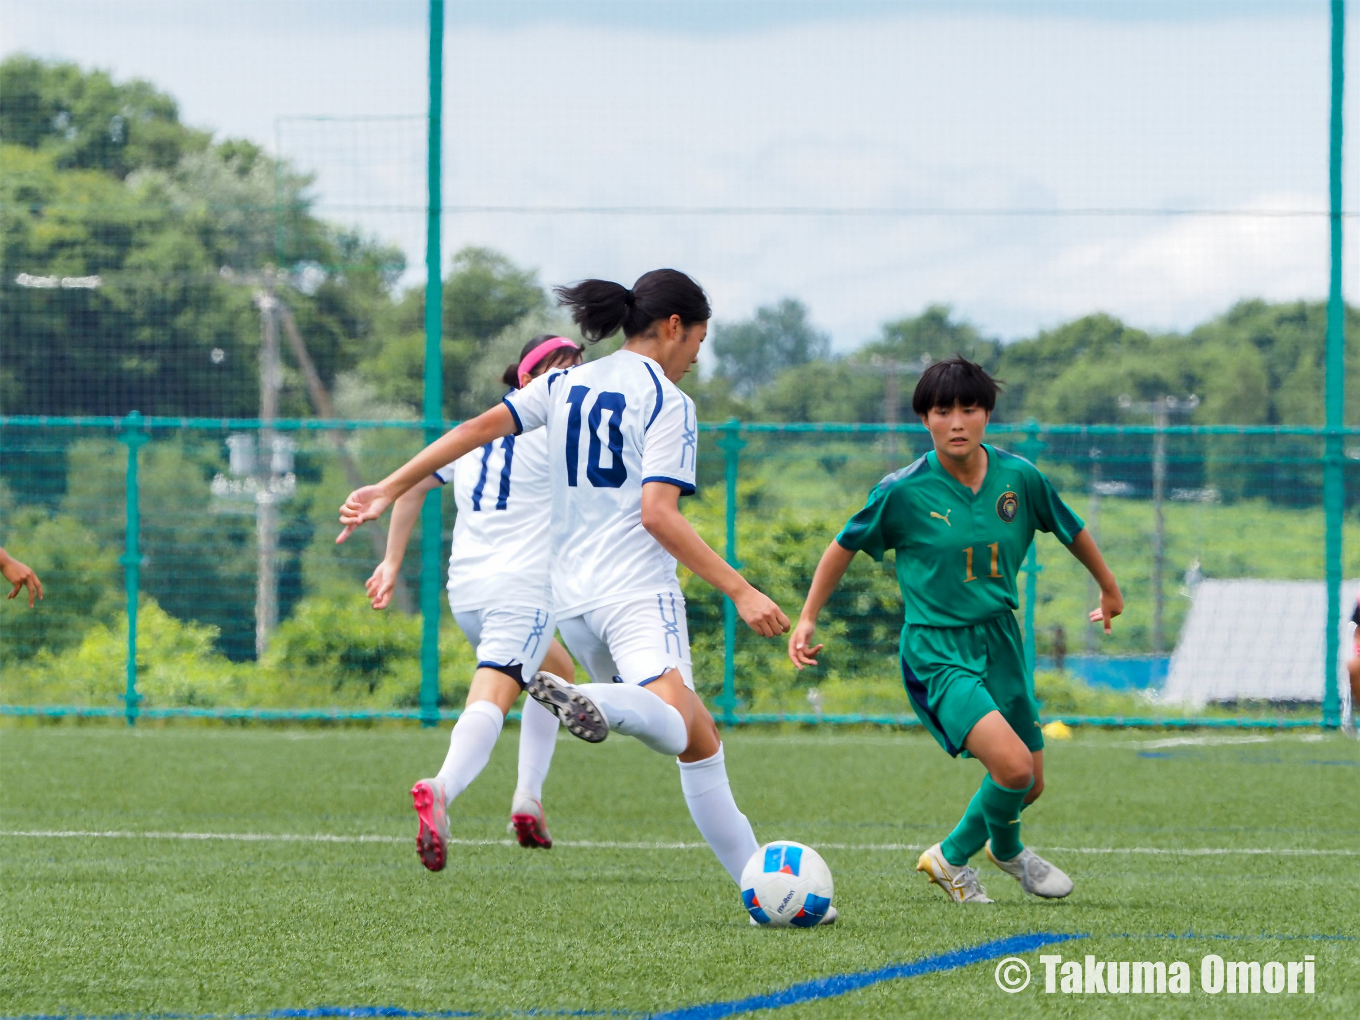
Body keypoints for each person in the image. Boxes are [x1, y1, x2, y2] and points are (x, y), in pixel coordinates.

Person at [339, 270, 834, 923]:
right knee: (685, 728)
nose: (695, 358)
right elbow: (658, 514)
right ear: (676, 327)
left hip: (572, 602)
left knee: (697, 738)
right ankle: (596, 702)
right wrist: (741, 589)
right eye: (700, 341)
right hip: (635, 590)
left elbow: (473, 430)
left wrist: (386, 486)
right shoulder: (668, 401)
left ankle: (756, 889)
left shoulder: (567, 382)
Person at [788, 356, 1123, 904]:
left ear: (987, 414)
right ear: (926, 420)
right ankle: (949, 857)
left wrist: (1109, 589)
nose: (958, 421)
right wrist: (807, 617)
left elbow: (1071, 528)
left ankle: (1005, 849)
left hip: (1000, 642)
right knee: (1012, 769)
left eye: (970, 408)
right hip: (937, 648)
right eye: (943, 411)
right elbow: (843, 546)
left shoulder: (1020, 478)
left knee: (1029, 783)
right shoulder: (903, 491)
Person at [362, 334, 584, 869]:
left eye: (578, 371)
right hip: (521, 589)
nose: (574, 382)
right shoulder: (555, 437)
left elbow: (413, 486)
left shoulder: (479, 438)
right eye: (562, 373)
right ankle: (442, 788)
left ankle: (528, 799)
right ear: (528, 383)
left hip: (467, 594)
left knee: (554, 674)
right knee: (490, 699)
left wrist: (391, 562)